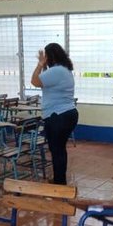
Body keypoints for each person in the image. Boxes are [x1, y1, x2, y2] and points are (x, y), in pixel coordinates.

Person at [30, 43, 79, 185]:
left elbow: (35, 81)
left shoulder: (56, 71)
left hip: (58, 116)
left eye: (45, 56)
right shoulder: (65, 70)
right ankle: (59, 180)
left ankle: (59, 183)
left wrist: (40, 64)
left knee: (57, 150)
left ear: (50, 56)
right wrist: (44, 66)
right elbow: (45, 81)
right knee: (59, 149)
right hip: (67, 114)